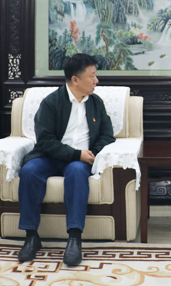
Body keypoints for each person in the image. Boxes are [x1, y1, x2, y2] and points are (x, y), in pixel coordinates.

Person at [16, 53, 115, 265]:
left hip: (80, 161)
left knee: (77, 172)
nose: (96, 81)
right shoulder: (51, 102)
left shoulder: (96, 103)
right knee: (29, 171)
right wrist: (76, 153)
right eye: (92, 76)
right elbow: (45, 141)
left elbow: (107, 135)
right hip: (50, 156)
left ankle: (74, 239)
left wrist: (91, 153)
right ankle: (31, 236)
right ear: (75, 80)